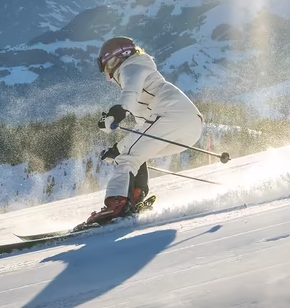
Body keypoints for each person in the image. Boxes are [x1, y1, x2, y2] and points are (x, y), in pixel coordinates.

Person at [78, 36, 204, 228]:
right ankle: (133, 199)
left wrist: (117, 112)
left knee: (128, 158)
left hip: (171, 114)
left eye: (108, 66)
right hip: (189, 127)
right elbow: (142, 131)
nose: (109, 76)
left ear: (118, 58)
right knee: (137, 154)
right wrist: (118, 148)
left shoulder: (132, 66)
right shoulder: (140, 68)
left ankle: (116, 206)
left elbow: (130, 93)